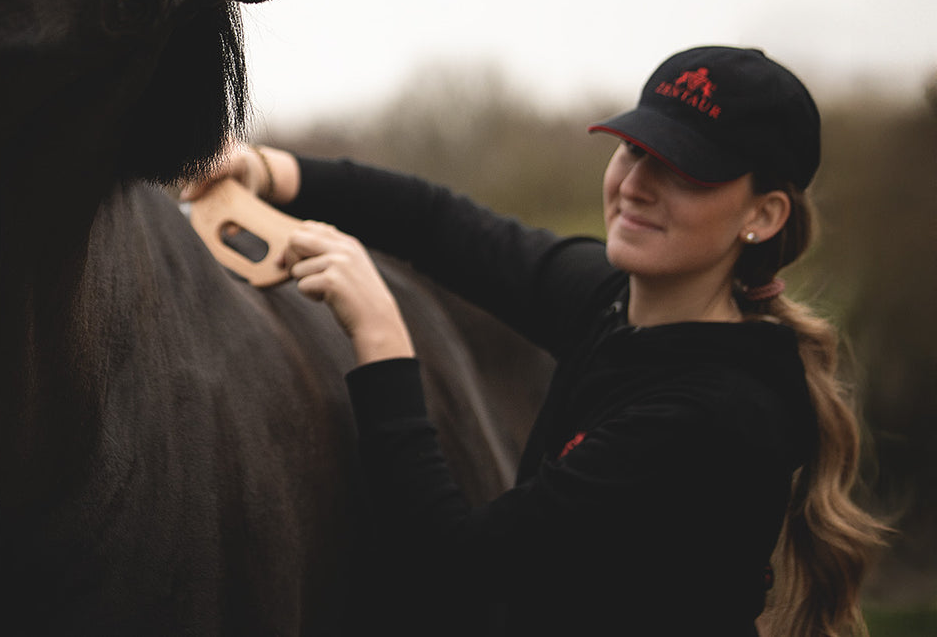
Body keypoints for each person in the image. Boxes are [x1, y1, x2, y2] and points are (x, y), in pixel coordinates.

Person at [186, 46, 886, 637]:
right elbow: (442, 224)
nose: (636, 185)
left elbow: (460, 568)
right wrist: (275, 171)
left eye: (684, 170)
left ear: (763, 214)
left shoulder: (711, 416)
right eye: (634, 151)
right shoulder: (615, 301)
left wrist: (381, 337)